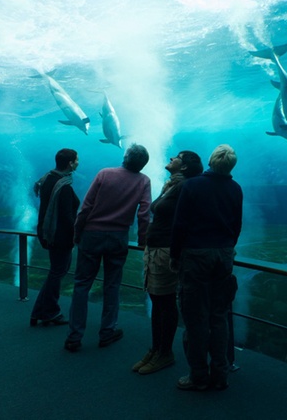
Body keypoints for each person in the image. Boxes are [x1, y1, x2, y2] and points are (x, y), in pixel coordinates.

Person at [64, 143, 152, 352]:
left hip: (91, 235)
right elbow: (144, 213)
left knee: (82, 284)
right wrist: (142, 241)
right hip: (118, 237)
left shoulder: (105, 173)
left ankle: (74, 336)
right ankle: (107, 332)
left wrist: (77, 234)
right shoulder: (144, 181)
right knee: (112, 285)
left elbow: (86, 207)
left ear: (126, 157)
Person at [171, 144, 242, 391]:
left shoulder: (192, 186)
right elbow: (236, 226)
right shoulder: (235, 188)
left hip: (196, 255)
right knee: (219, 315)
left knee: (195, 317)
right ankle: (220, 374)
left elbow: (179, 225)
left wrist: (174, 255)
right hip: (223, 255)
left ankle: (198, 375)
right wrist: (226, 249)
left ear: (211, 161)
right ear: (231, 166)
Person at [132, 150, 203, 375]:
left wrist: (175, 252)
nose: (172, 158)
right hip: (156, 249)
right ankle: (156, 349)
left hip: (165, 250)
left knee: (164, 303)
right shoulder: (172, 185)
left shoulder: (184, 187)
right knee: (157, 301)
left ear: (184, 167)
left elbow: (185, 221)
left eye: (177, 157)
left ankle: (164, 353)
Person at [30, 148, 80, 327]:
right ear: (70, 163)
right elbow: (67, 217)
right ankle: (49, 311)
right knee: (57, 272)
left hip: (47, 232)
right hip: (59, 237)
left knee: (56, 271)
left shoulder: (48, 178)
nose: (78, 162)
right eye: (76, 160)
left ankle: (40, 311)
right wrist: (77, 235)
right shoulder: (64, 186)